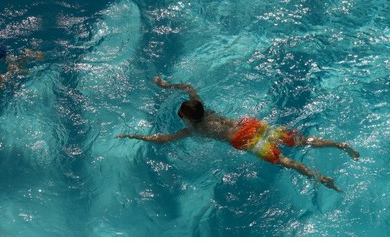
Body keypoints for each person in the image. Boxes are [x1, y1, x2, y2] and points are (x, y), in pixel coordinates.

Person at [116, 77, 360, 192]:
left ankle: (323, 179)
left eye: (182, 115)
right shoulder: (201, 106)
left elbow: (163, 139)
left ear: (188, 118)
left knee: (285, 161)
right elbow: (190, 87)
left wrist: (134, 136)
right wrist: (166, 84)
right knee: (300, 141)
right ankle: (339, 144)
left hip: (242, 140)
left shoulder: (195, 129)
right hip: (250, 124)